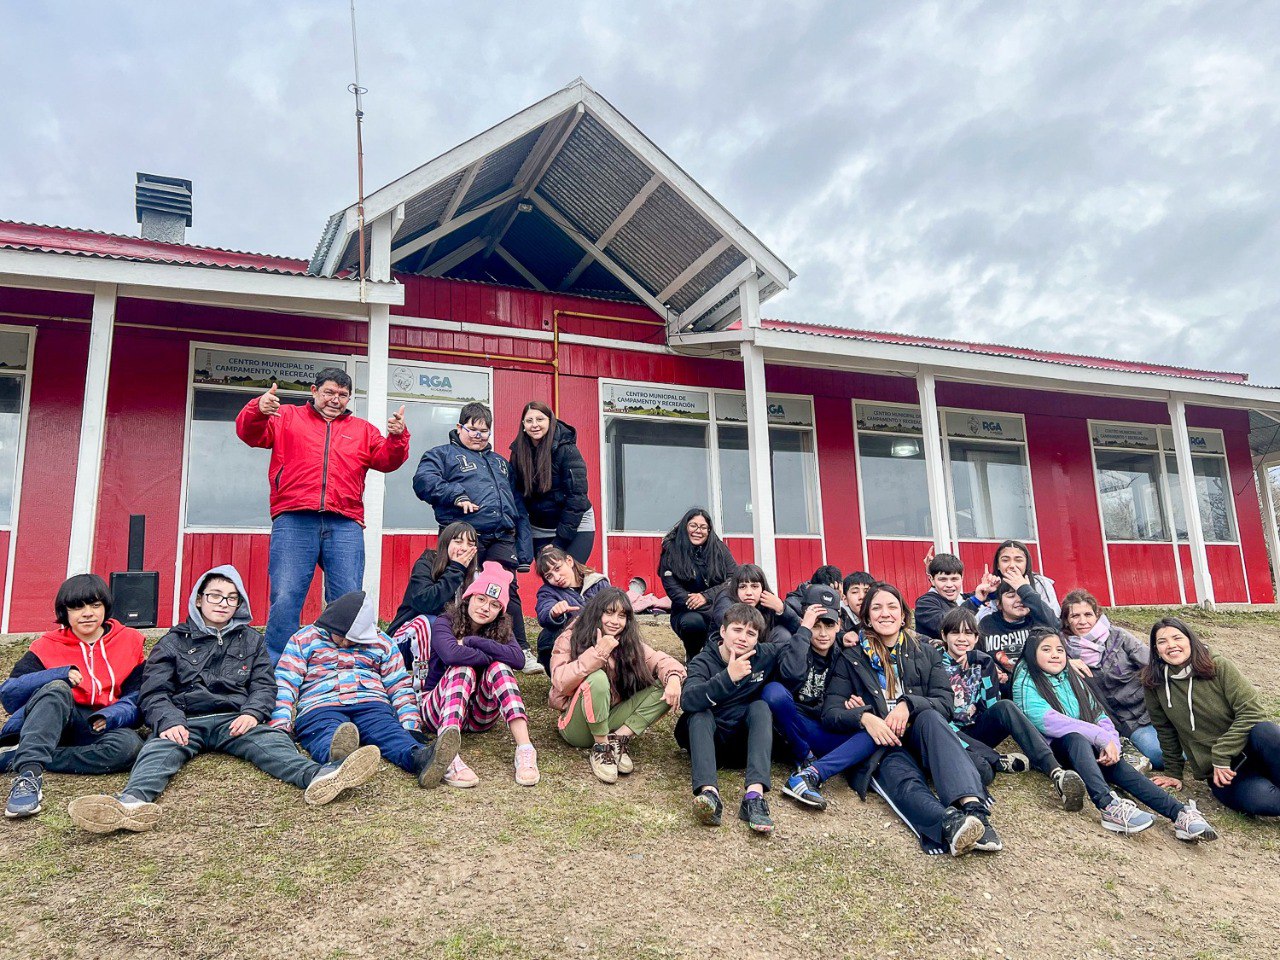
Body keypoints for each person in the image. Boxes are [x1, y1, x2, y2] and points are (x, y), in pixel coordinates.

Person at [66, 566, 381, 833]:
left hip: (235, 719)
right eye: (215, 595)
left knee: (272, 743)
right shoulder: (173, 642)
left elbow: (263, 684)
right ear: (199, 599)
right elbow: (154, 690)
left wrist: (254, 712)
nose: (222, 603)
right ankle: (131, 804)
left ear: (239, 603)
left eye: (231, 598)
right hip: (186, 721)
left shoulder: (252, 640)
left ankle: (322, 776)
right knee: (157, 750)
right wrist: (168, 720)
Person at [236, 366, 410, 661]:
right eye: (329, 392)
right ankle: (278, 666)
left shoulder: (363, 430)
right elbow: (250, 434)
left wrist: (397, 437)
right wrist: (258, 409)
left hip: (345, 522)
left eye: (343, 395)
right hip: (293, 518)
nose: (335, 399)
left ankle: (345, 662)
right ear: (314, 391)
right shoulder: (286, 417)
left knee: (347, 598)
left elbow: (387, 460)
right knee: (285, 596)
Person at [822, 582, 1001, 857]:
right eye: (877, 608)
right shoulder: (852, 658)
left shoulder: (926, 652)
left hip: (922, 735)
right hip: (883, 742)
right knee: (902, 779)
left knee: (929, 715)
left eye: (892, 607)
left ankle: (975, 810)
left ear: (903, 615)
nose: (885, 613)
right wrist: (865, 717)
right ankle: (950, 826)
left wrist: (908, 704)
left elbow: (945, 702)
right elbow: (831, 712)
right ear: (867, 617)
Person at [1014, 629, 1216, 841]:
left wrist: (1111, 743)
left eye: (1059, 650)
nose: (1055, 655)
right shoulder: (1025, 680)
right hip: (1056, 751)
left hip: (1088, 751)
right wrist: (1101, 738)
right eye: (1046, 650)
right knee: (1075, 737)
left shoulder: (1071, 677)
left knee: (1121, 769)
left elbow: (1098, 714)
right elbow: (1047, 720)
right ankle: (1108, 805)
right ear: (1031, 653)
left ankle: (1179, 813)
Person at [0, 575, 145, 820]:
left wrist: (111, 716)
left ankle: (18, 755)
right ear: (64, 612)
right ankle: (28, 775)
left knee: (130, 747)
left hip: (96, 724)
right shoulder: (45, 645)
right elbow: (9, 695)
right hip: (50, 716)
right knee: (56, 688)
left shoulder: (129, 641)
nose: (87, 613)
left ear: (105, 608)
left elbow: (137, 697)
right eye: (77, 607)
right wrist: (59, 674)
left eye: (95, 605)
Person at [413, 401, 540, 674]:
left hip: (502, 537)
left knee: (505, 591)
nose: (478, 436)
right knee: (458, 589)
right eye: (472, 429)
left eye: (484, 431)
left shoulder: (501, 464)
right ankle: (452, 645)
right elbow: (422, 481)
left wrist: (524, 549)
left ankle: (519, 649)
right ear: (459, 427)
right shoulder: (441, 455)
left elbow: (518, 507)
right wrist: (456, 494)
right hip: (464, 535)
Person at [272, 590, 447, 789]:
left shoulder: (382, 643)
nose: (346, 643)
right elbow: (285, 682)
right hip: (320, 704)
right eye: (341, 637)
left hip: (371, 703)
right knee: (323, 731)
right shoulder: (303, 639)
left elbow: (399, 685)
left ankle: (420, 757)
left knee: (389, 731)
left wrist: (410, 725)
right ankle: (336, 759)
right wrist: (281, 724)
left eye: (353, 640)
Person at [938, 607, 1087, 809]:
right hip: (945, 734)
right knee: (982, 770)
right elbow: (936, 718)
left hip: (974, 729)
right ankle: (994, 760)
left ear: (976, 638)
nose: (962, 638)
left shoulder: (983, 662)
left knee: (1005, 706)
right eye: (955, 632)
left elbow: (991, 706)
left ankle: (1056, 772)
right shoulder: (934, 663)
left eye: (968, 633)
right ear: (944, 635)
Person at [418, 562, 540, 789]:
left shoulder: (501, 630)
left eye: (494, 605)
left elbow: (519, 660)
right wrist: (491, 653)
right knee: (462, 669)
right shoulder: (445, 622)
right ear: (468, 598)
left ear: (500, 612)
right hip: (438, 709)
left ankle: (525, 749)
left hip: (478, 715)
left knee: (500, 668)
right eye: (481, 599)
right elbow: (452, 654)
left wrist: (473, 642)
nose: (485, 608)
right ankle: (447, 756)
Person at [1143, 617, 1280, 817]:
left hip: (1251, 748)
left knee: (1267, 731)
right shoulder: (1154, 683)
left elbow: (1252, 711)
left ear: (1190, 640)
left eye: (1177, 638)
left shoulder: (1218, 666)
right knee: (1263, 801)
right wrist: (1173, 772)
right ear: (1156, 650)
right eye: (1162, 642)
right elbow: (1165, 729)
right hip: (1220, 773)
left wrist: (1222, 753)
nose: (1171, 645)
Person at [549, 588, 685, 783]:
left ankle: (618, 739)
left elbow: (660, 660)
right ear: (597, 613)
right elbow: (560, 682)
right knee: (596, 677)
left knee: (667, 683)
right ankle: (601, 748)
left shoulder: (627, 643)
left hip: (611, 717)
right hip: (575, 726)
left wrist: (673, 678)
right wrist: (597, 654)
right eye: (609, 612)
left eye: (622, 616)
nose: (615, 621)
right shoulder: (570, 638)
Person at [761, 584, 877, 811]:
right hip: (791, 727)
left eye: (829, 625)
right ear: (805, 622)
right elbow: (791, 676)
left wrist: (856, 707)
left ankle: (812, 773)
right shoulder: (793, 644)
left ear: (839, 625)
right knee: (773, 693)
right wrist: (803, 631)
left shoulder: (845, 653)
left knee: (873, 734)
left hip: (823, 726)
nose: (823, 633)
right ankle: (804, 756)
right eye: (816, 625)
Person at [676, 603, 782, 834]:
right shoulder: (703, 660)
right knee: (699, 713)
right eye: (737, 630)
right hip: (708, 741)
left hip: (740, 745)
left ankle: (754, 797)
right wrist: (727, 678)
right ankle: (709, 794)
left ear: (757, 640)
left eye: (751, 633)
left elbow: (796, 650)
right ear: (723, 632)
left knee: (761, 707)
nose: (743, 638)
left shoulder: (763, 656)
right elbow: (688, 700)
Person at [1060, 589, 1162, 771]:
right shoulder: (1062, 649)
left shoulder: (1118, 636)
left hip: (1149, 708)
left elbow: (1153, 665)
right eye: (1075, 616)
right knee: (1158, 756)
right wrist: (1066, 663)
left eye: (1088, 614)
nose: (1082, 621)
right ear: (1067, 620)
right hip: (1124, 722)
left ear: (1097, 615)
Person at [508, 400, 596, 563]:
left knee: (571, 574)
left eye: (540, 419)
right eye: (529, 420)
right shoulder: (517, 454)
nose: (535, 425)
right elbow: (516, 496)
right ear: (523, 425)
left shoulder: (568, 450)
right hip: (540, 527)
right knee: (552, 577)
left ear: (550, 421)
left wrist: (559, 543)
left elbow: (577, 498)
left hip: (575, 523)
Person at [658, 508, 736, 661]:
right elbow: (672, 588)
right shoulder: (671, 551)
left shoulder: (719, 549)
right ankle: (693, 656)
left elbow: (733, 578)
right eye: (693, 525)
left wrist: (706, 597)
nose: (697, 531)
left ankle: (719, 657)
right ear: (685, 526)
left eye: (703, 527)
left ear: (709, 529)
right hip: (686, 610)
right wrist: (695, 601)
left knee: (725, 618)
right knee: (693, 623)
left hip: (717, 605)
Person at [387, 521, 479, 636]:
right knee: (433, 622)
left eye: (470, 544)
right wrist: (456, 569)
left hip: (447, 639)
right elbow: (426, 604)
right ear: (446, 544)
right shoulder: (426, 564)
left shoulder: (475, 576)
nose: (465, 548)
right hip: (410, 634)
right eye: (458, 542)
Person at [533, 545, 611, 673]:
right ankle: (563, 677)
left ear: (569, 561)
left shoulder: (598, 582)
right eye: (549, 576)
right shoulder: (548, 592)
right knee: (548, 636)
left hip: (600, 642)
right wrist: (553, 612)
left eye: (557, 568)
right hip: (572, 647)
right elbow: (543, 609)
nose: (557, 578)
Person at [978, 575, 1058, 695]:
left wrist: (1027, 591)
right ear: (999, 603)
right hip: (1001, 693)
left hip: (1039, 690)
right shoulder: (986, 624)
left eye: (1023, 595)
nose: (1019, 600)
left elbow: (1056, 625)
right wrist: (991, 668)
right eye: (1011, 596)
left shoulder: (1038, 620)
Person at [913, 552, 1000, 641]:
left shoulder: (964, 599)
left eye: (954, 579)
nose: (949, 585)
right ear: (932, 580)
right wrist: (975, 601)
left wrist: (992, 590)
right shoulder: (925, 604)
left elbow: (1002, 602)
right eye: (943, 579)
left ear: (962, 578)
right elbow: (948, 625)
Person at [708, 563, 801, 644]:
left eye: (754, 586)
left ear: (762, 588)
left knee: (782, 634)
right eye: (743, 587)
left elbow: (799, 629)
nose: (749, 592)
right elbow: (733, 627)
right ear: (735, 588)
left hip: (759, 652)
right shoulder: (726, 597)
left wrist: (782, 609)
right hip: (726, 653)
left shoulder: (767, 600)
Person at [978, 539, 1059, 622]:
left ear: (1026, 563)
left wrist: (1025, 589)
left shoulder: (1040, 583)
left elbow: (1054, 619)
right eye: (1005, 560)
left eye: (1018, 560)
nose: (1012, 565)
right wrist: (990, 595)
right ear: (998, 565)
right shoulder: (992, 585)